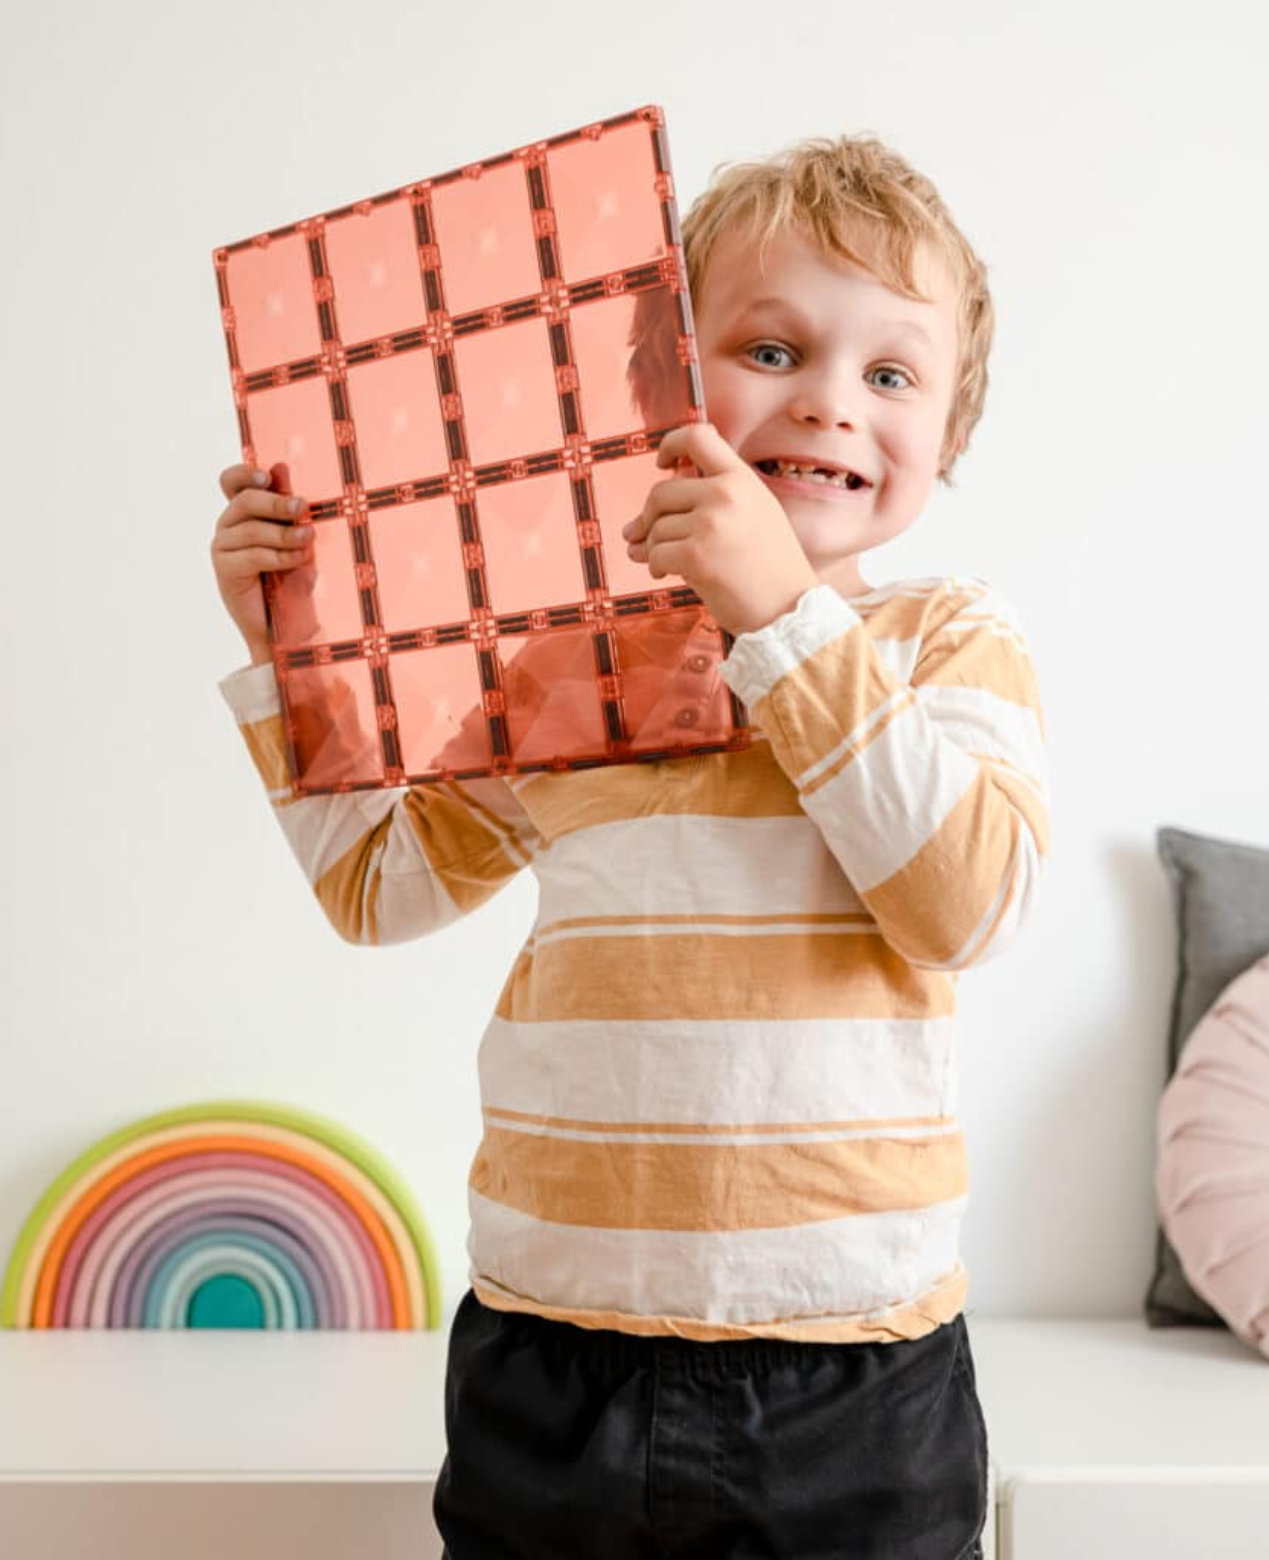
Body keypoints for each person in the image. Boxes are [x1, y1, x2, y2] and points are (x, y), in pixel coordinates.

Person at [209, 130, 1049, 1559]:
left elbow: (964, 904)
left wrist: (783, 619)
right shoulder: (565, 666)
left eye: (892, 374)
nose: (832, 405)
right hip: (552, 1357)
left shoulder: (944, 641)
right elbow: (377, 886)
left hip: (850, 1374)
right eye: (771, 350)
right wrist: (295, 664)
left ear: (948, 441)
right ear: (662, 389)